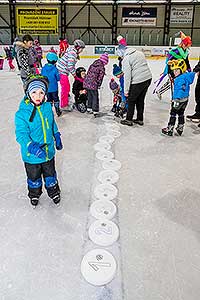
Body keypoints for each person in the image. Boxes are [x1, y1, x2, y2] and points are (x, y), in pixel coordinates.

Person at [15, 75, 63, 207]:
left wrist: (56, 134)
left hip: (48, 153)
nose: (38, 96)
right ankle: (34, 194)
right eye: (34, 92)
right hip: (31, 156)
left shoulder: (47, 107)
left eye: (42, 92)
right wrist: (31, 147)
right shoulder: (22, 114)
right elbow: (21, 134)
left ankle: (54, 192)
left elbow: (52, 123)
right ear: (28, 94)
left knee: (50, 175)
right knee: (34, 178)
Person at [162, 59, 196, 136]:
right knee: (181, 113)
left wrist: (176, 99)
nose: (175, 72)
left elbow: (180, 90)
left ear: (182, 70)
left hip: (178, 100)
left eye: (177, 70)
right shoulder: (186, 76)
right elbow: (192, 73)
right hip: (185, 100)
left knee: (173, 113)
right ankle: (180, 128)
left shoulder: (180, 79)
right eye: (174, 70)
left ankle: (170, 128)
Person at [154, 31, 192, 100]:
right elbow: (168, 60)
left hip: (180, 70)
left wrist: (189, 70)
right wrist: (170, 70)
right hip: (172, 69)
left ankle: (160, 92)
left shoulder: (186, 52)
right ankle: (173, 97)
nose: (190, 45)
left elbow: (186, 61)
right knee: (174, 83)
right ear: (185, 44)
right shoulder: (176, 51)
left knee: (175, 83)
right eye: (189, 43)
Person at [120, 47, 152, 126]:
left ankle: (128, 119)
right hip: (148, 78)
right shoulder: (139, 53)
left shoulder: (126, 59)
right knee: (140, 100)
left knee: (131, 100)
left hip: (138, 81)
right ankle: (140, 119)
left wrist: (126, 91)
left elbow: (127, 76)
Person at [57, 39, 85, 110]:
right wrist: (75, 75)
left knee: (67, 87)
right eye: (82, 49)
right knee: (65, 88)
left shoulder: (72, 51)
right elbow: (70, 66)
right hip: (62, 71)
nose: (82, 51)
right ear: (78, 48)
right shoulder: (73, 53)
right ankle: (63, 105)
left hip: (61, 70)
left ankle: (66, 100)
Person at [83, 53, 109, 117]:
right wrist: (99, 84)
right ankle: (95, 110)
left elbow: (88, 72)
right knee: (95, 97)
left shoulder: (93, 64)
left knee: (90, 96)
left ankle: (89, 108)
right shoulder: (101, 67)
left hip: (87, 83)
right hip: (93, 84)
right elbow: (100, 78)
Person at [41, 52, 62, 117]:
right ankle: (57, 110)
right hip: (54, 88)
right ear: (55, 61)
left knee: (49, 99)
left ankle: (49, 110)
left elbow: (42, 77)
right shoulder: (55, 69)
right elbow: (58, 78)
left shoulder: (43, 68)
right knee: (56, 99)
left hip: (46, 88)